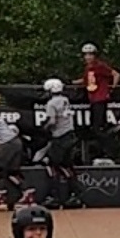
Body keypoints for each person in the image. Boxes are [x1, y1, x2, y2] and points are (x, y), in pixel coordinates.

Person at [37, 79, 84, 210]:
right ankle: (74, 195)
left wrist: (44, 128)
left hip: (60, 137)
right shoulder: (65, 100)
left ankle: (54, 197)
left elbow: (52, 120)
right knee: (66, 166)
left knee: (51, 165)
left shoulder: (51, 103)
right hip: (70, 134)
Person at [75, 43, 120, 163]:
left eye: (90, 55)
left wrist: (112, 88)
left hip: (100, 99)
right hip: (93, 99)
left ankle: (108, 152)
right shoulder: (88, 68)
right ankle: (102, 151)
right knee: (95, 127)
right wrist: (71, 82)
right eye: (86, 55)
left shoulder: (100, 66)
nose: (88, 57)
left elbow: (115, 74)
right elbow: (85, 80)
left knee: (98, 128)